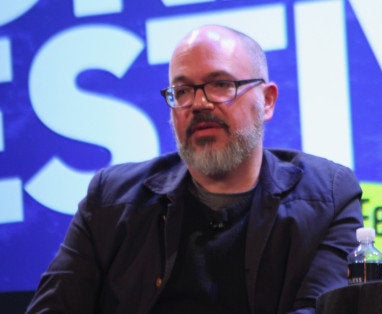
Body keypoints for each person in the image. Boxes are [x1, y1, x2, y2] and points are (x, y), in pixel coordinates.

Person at [27, 24, 363, 314]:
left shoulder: (330, 195)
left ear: (268, 101)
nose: (199, 104)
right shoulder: (111, 198)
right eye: (183, 91)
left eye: (220, 85)